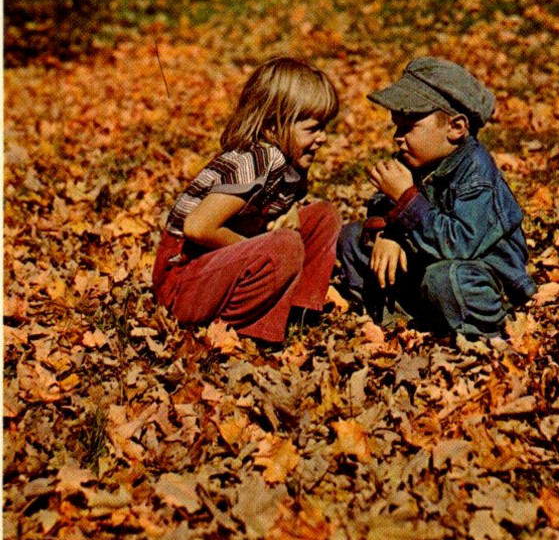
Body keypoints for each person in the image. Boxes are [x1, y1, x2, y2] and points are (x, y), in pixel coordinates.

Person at [338, 57, 535, 339]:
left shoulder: (476, 174)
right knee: (353, 237)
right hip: (427, 258)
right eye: (397, 126)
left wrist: (405, 200)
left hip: (481, 274)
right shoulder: (417, 158)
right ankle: (388, 313)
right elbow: (381, 202)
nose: (397, 137)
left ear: (455, 128)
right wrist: (386, 231)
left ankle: (480, 328)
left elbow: (460, 244)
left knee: (447, 280)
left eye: (409, 127)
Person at [153, 57, 342, 344]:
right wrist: (259, 249)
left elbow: (281, 203)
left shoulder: (286, 162)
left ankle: (299, 312)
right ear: (272, 127)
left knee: (323, 216)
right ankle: (252, 334)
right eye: (313, 128)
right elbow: (198, 227)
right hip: (182, 282)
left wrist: (289, 209)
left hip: (217, 268)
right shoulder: (257, 160)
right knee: (284, 246)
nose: (323, 138)